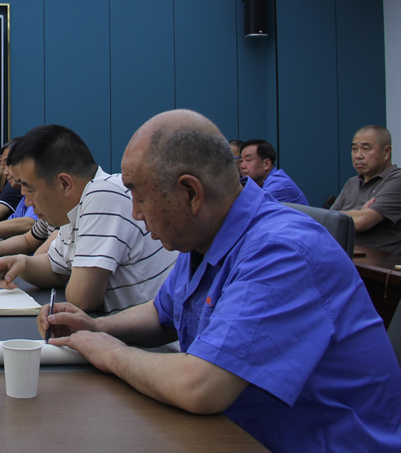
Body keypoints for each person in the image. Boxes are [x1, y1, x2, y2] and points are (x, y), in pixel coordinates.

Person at [40, 110, 401, 451]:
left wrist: (110, 352)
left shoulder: (282, 251)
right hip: (240, 432)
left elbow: (201, 386)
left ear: (191, 193)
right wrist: (97, 327)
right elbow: (162, 314)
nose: (135, 213)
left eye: (141, 197)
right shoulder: (204, 236)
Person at [0, 125, 176, 313]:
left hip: (154, 332)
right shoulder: (76, 207)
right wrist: (23, 264)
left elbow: (82, 298)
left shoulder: (103, 194)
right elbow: (55, 268)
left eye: (30, 190)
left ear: (64, 184)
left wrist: (70, 275)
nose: (28, 201)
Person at [331, 125, 401, 253]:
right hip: (345, 255)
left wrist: (359, 216)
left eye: (365, 149)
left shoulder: (396, 180)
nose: (358, 156)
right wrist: (358, 212)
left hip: (379, 262)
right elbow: (327, 222)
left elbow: (360, 222)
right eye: (354, 149)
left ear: (386, 152)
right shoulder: (352, 182)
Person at [238, 139, 308, 205]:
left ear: (266, 164)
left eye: (248, 160)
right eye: (241, 161)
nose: (242, 166)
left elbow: (246, 205)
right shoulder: (259, 182)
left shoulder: (278, 184)